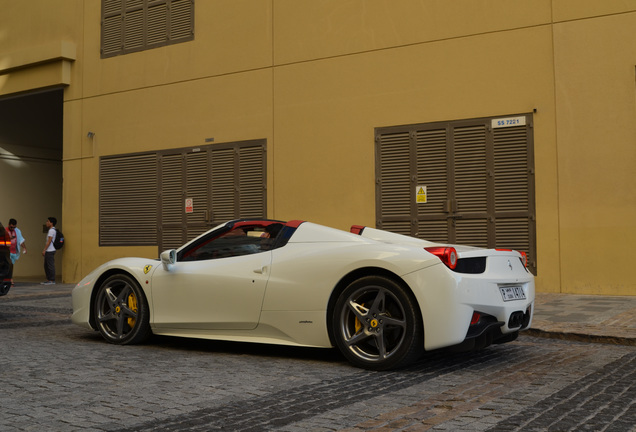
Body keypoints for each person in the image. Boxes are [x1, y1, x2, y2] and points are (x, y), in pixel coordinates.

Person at [6, 218, 27, 287]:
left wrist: (24, 248)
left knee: (11, 266)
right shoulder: (5, 230)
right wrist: (8, 238)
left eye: (14, 227)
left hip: (13, 252)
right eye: (11, 227)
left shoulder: (17, 231)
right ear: (9, 225)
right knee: (8, 265)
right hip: (6, 252)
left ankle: (9, 279)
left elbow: (20, 240)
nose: (12, 228)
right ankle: (10, 279)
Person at [41, 217, 57, 285]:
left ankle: (52, 280)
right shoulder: (52, 230)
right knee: (46, 265)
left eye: (48, 221)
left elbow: (49, 241)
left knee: (50, 265)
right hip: (50, 250)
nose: (46, 223)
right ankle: (48, 279)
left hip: (50, 250)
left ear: (51, 223)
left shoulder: (51, 231)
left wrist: (44, 249)